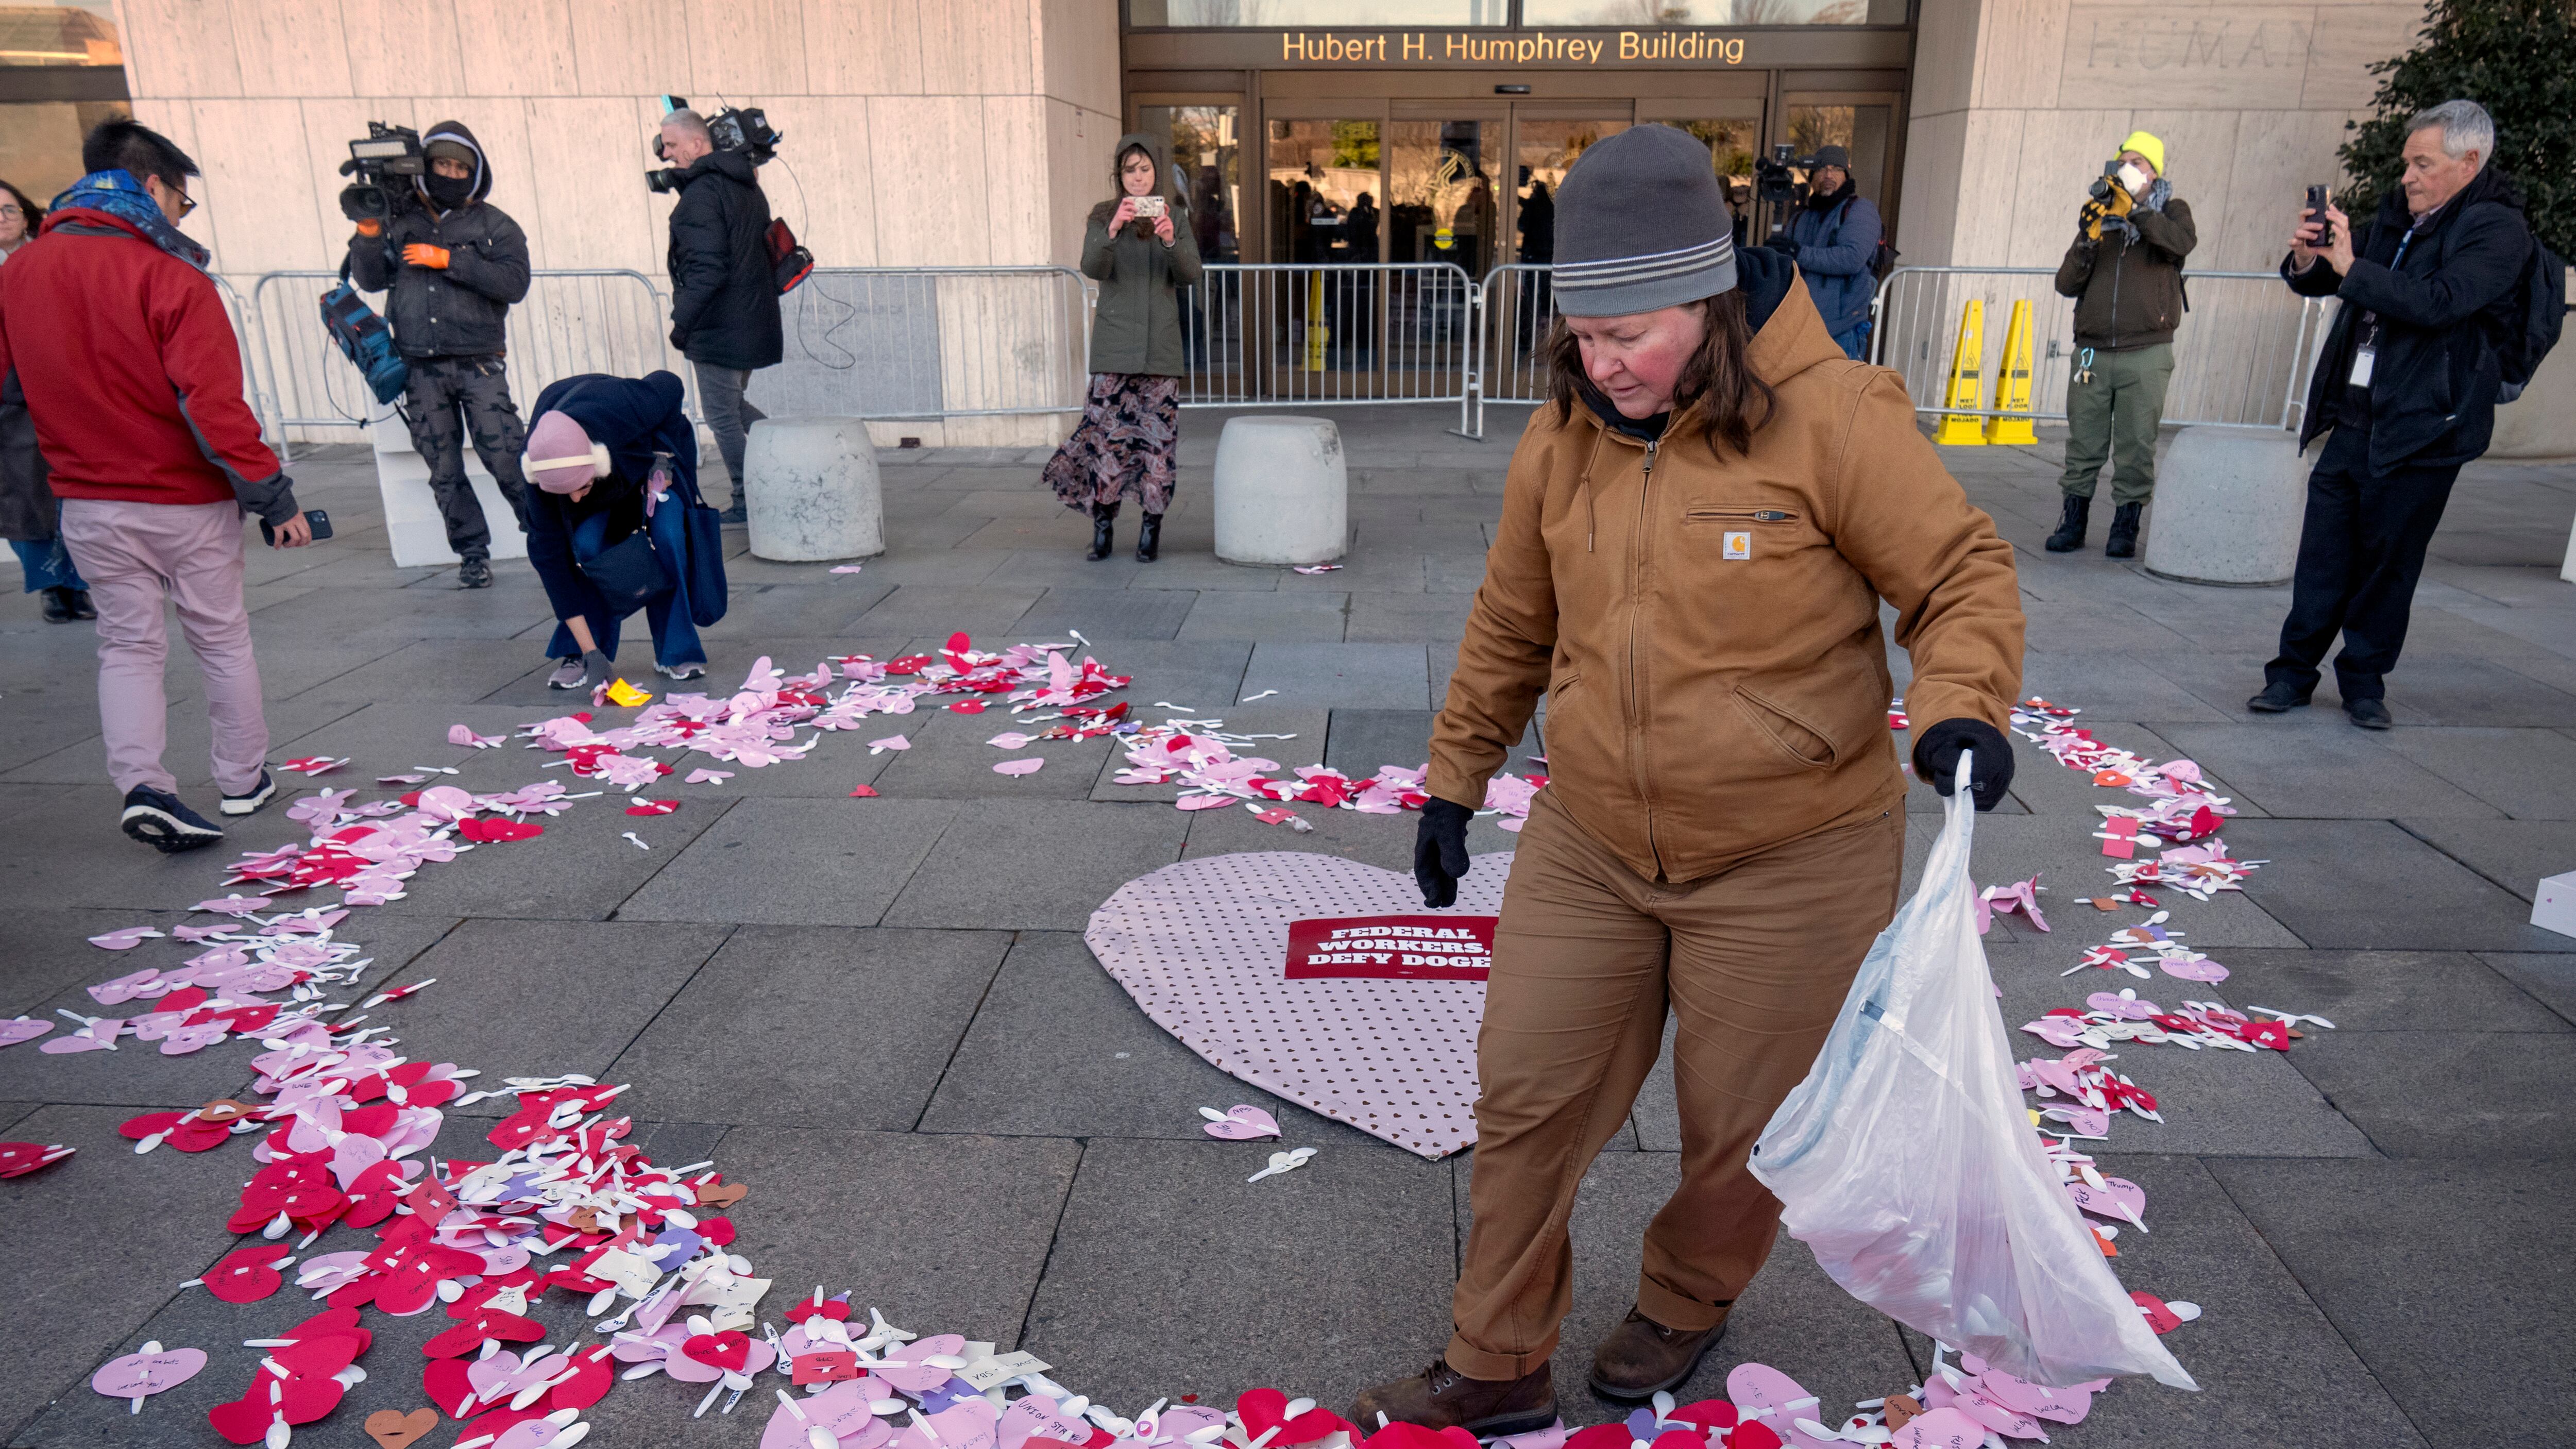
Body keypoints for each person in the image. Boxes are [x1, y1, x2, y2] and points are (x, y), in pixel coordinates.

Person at [1352, 124, 2025, 1433]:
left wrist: (1959, 709)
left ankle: (1686, 1292)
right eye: (1583, 338)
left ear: (1709, 306)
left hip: (1792, 853)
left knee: (1741, 1130)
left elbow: (1958, 577)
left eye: (1631, 338)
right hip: (1594, 837)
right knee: (1527, 1093)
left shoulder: (1834, 418)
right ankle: (1494, 1359)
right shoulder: (1564, 435)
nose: (1601, 367)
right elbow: (1511, 618)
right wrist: (1454, 779)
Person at [0, 121, 309, 851]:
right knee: (220, 638)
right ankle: (241, 781)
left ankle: (144, 786)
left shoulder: (19, 273)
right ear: (150, 185)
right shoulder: (172, 276)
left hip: (87, 502)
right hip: (184, 501)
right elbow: (215, 409)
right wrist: (274, 497)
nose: (179, 217)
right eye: (181, 201)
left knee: (127, 646)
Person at [2254, 100, 2533, 731]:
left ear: (2468, 162)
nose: (2406, 176)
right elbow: (2337, 283)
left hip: (2425, 428)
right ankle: (2289, 675)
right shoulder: (2396, 211)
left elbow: (2439, 303)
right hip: (2354, 416)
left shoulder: (2496, 231)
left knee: (2388, 564)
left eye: (2421, 164)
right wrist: (2309, 260)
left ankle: (2363, 683)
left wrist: (2351, 264)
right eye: (2406, 162)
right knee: (2321, 556)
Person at [346, 121, 532, 589]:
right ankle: (472, 554)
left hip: (480, 363)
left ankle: (547, 537)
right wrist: (369, 231)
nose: (450, 172)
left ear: (475, 171)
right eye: (442, 164)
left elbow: (515, 284)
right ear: (425, 168)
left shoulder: (496, 224)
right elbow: (369, 280)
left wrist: (449, 260)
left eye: (459, 166)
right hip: (419, 368)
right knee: (443, 470)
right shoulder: (400, 221)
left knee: (507, 457)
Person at [1044, 133, 1201, 564]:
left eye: (1146, 169)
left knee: (1157, 447)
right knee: (1108, 445)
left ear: (1156, 173)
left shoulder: (1175, 217)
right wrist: (1112, 229)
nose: (1138, 177)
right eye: (1130, 170)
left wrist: (1170, 239)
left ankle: (1151, 529)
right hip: (1114, 348)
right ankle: (1104, 528)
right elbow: (1093, 267)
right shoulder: (1101, 216)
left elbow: (1190, 274)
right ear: (1120, 175)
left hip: (1160, 351)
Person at [2046, 131, 2195, 558]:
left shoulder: (2170, 210)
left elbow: (2181, 244)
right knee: (2084, 443)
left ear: (2154, 173)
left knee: (2136, 443)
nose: (2131, 169)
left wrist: (2138, 215)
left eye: (2141, 163)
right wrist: (2089, 238)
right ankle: (2073, 520)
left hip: (2146, 349)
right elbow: (2066, 283)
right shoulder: (2103, 213)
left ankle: (2125, 526)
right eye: (2125, 161)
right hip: (2092, 348)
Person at [521, 370, 717, 687]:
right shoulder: (539, 477)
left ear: (597, 463)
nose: (574, 496)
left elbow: (669, 382)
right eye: (564, 493)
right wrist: (592, 652)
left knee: (668, 536)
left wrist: (661, 458)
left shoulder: (624, 408)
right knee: (585, 546)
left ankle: (677, 650)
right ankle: (582, 652)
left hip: (640, 462)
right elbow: (553, 567)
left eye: (581, 486)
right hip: (595, 476)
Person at [660, 107, 783, 525]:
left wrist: (682, 324)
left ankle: (749, 499)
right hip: (751, 320)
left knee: (722, 417)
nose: (666, 153)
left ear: (698, 144)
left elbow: (706, 269)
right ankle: (788, 457)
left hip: (720, 325)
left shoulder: (702, 195)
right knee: (734, 404)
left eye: (673, 144)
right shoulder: (746, 186)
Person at [0, 176, 94, 623]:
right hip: (9, 401)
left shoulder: (49, 257)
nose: (2, 219)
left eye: (9, 209)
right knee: (25, 498)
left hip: (59, 389)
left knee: (72, 491)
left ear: (25, 215)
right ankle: (49, 587)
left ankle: (81, 583)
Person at [1776, 145, 1882, 361]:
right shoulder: (1801, 217)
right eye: (1822, 169)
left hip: (1841, 330)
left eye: (1836, 169)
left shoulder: (1860, 210)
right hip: (1798, 326)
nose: (1828, 175)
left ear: (1846, 175)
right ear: (1812, 177)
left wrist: (1798, 252)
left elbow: (1852, 258)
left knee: (1837, 394)